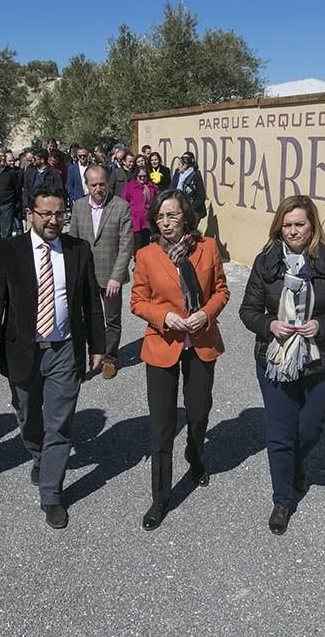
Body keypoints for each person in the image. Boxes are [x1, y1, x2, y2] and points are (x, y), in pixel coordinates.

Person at [0, 186, 105, 529]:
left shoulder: (78, 250)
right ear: (29, 214)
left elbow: (91, 302)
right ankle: (39, 453)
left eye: (59, 213)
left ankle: (51, 494)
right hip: (24, 350)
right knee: (28, 416)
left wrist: (97, 346)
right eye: (46, 214)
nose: (53, 220)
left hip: (64, 349)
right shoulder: (8, 251)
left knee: (59, 425)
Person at [239, 195, 325, 535]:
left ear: (312, 226)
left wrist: (322, 325)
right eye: (287, 225)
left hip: (318, 360)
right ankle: (283, 500)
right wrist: (269, 325)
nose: (293, 231)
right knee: (279, 433)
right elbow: (248, 310)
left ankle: (296, 464)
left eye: (299, 224)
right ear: (279, 227)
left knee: (310, 428)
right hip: (274, 359)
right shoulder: (267, 261)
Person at [130, 189, 230, 531]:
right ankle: (160, 497)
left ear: (186, 216)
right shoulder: (146, 255)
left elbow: (221, 290)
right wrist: (163, 317)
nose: (165, 222)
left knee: (199, 412)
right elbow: (138, 301)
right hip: (163, 344)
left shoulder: (208, 248)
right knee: (161, 426)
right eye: (160, 216)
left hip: (201, 341)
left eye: (172, 215)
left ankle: (195, 456)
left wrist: (206, 313)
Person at [68, 166, 133, 379]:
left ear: (108, 183)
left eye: (102, 184)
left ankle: (110, 359)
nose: (98, 189)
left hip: (110, 275)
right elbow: (73, 243)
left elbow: (126, 246)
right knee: (84, 318)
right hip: (85, 276)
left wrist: (117, 276)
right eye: (94, 184)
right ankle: (91, 353)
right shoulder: (78, 207)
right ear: (87, 185)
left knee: (111, 319)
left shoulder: (121, 206)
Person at [123, 166, 158, 252]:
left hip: (148, 221)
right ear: (136, 176)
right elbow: (124, 201)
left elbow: (157, 201)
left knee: (146, 244)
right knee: (137, 245)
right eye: (140, 176)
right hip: (136, 221)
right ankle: (137, 261)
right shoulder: (130, 186)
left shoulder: (151, 187)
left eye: (144, 176)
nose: (142, 178)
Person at [170, 151, 207, 220]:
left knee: (189, 230)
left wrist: (189, 208)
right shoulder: (178, 172)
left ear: (185, 165)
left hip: (193, 211)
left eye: (179, 164)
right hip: (179, 208)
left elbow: (201, 196)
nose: (178, 167)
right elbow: (172, 187)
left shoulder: (195, 175)